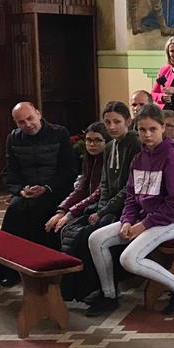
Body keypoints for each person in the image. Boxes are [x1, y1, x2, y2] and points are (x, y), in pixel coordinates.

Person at [87, 104, 174, 316]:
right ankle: (109, 295)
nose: (147, 134)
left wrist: (143, 225)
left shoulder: (173, 158)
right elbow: (131, 197)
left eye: (153, 129)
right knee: (96, 239)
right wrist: (127, 220)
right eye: (142, 130)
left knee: (129, 259)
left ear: (162, 128)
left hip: (170, 222)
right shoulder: (138, 159)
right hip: (142, 220)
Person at [57, 102, 141, 305]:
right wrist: (101, 209)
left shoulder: (135, 144)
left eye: (117, 122)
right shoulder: (110, 146)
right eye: (108, 122)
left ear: (128, 121)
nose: (112, 126)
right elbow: (104, 184)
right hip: (108, 207)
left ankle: (101, 290)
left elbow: (129, 188)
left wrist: (104, 211)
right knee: (74, 231)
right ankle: (81, 289)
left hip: (128, 209)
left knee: (88, 236)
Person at [0, 102, 76, 287]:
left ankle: (43, 268)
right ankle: (8, 271)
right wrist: (21, 190)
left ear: (38, 114)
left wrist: (47, 187)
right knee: (15, 210)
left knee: (39, 209)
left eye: (30, 118)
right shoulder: (13, 138)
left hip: (54, 190)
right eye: (21, 122)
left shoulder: (59, 133)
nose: (27, 124)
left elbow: (69, 169)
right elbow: (10, 171)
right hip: (27, 192)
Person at [44, 122, 111, 301]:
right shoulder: (89, 159)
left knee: (76, 234)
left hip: (101, 208)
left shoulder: (108, 159)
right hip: (88, 206)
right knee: (52, 225)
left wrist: (70, 214)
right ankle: (58, 280)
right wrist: (62, 210)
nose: (92, 144)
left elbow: (99, 193)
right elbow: (81, 188)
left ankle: (81, 287)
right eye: (89, 140)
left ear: (106, 142)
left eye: (97, 140)